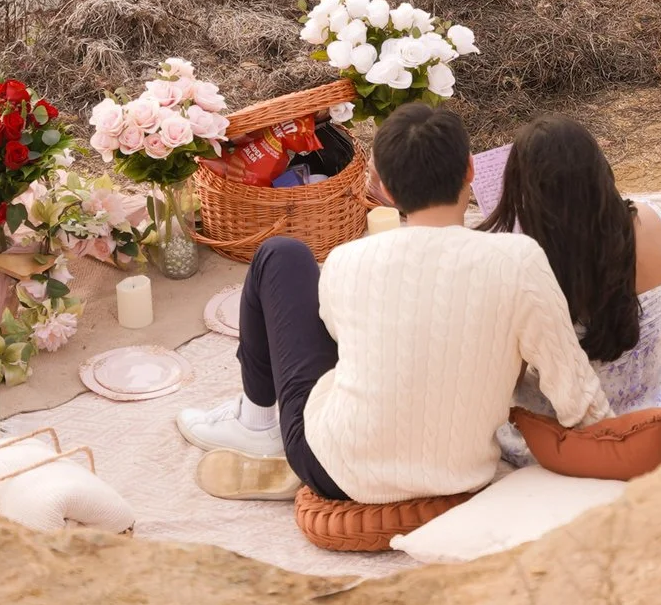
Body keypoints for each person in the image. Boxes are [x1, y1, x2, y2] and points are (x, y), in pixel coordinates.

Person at [177, 104, 610, 503]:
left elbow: (334, 343)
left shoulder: (348, 261)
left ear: (382, 187)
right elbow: (577, 397)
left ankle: (256, 420)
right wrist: (618, 453)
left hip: (334, 471)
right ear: (469, 170)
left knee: (281, 256)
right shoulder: (521, 259)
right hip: (462, 474)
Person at [484, 117, 661, 437]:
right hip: (651, 407)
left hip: (573, 432)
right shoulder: (657, 221)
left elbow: (505, 384)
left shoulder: (530, 268)